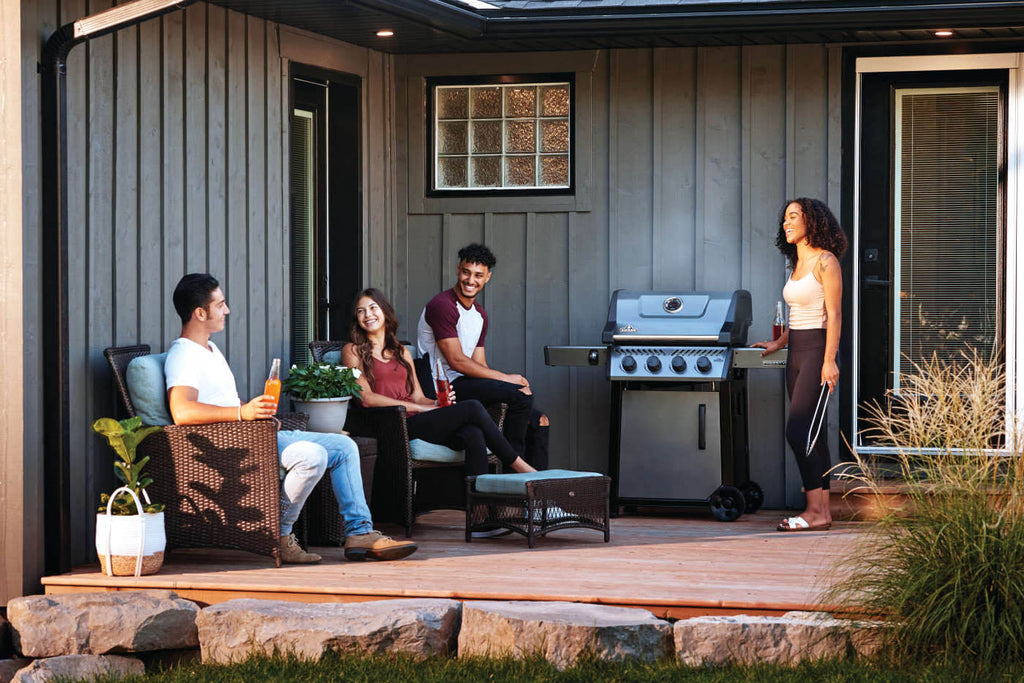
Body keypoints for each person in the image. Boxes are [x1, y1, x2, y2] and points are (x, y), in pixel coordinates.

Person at [164, 273, 418, 563]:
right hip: (227, 446)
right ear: (200, 313)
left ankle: (359, 532)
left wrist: (254, 413)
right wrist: (242, 413)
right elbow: (182, 411)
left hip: (251, 433)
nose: (227, 310)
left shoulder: (210, 349)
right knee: (312, 456)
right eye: (220, 305)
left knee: (344, 447)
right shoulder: (183, 355)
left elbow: (222, 402)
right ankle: (280, 534)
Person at [342, 288, 537, 481]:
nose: (368, 315)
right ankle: (518, 465)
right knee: (472, 407)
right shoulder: (352, 351)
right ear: (356, 318)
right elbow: (366, 398)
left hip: (416, 420)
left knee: (473, 433)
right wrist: (420, 408)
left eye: (373, 308)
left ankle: (478, 500)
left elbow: (418, 396)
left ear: (385, 312)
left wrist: (436, 404)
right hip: (392, 423)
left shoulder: (402, 352)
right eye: (361, 311)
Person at [752, 198, 847, 532]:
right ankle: (821, 513)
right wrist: (779, 343)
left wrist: (829, 361)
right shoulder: (797, 263)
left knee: (798, 431)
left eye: (793, 217)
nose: (786, 223)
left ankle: (815, 511)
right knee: (812, 435)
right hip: (796, 354)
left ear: (812, 221)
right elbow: (800, 313)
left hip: (818, 352)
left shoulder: (826, 261)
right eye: (785, 218)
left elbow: (833, 314)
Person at [416, 243, 549, 470]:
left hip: (465, 383)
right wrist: (508, 380)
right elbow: (457, 361)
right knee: (520, 397)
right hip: (442, 387)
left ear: (487, 277)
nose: (471, 280)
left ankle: (537, 489)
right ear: (458, 270)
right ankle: (513, 477)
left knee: (539, 420)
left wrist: (508, 385)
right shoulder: (442, 305)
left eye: (478, 275)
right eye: (466, 272)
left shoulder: (479, 316)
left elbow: (480, 365)